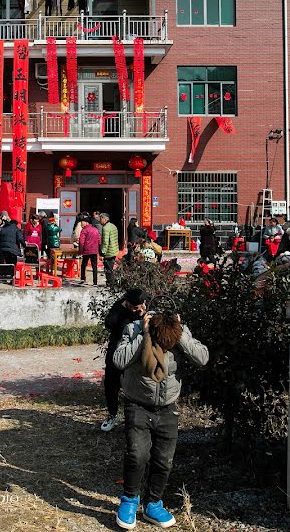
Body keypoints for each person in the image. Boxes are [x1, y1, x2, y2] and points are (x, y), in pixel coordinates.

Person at [113, 308, 209, 529]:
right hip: (138, 404)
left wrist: (181, 335)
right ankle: (129, 500)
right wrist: (143, 335)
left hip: (167, 407)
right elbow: (119, 360)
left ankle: (153, 503)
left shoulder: (178, 332)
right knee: (137, 455)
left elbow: (202, 358)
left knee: (163, 460)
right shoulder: (133, 329)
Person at [100, 289, 147, 432]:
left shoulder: (145, 308)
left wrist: (143, 314)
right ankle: (112, 414)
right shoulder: (120, 306)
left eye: (137, 307)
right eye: (132, 307)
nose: (134, 310)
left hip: (136, 352)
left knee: (137, 384)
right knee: (111, 384)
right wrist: (125, 309)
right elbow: (109, 323)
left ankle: (137, 418)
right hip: (117, 350)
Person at [99, 213, 120, 286]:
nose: (100, 220)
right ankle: (112, 283)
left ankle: (111, 284)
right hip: (114, 250)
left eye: (101, 218)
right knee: (110, 268)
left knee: (108, 269)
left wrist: (102, 253)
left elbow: (105, 242)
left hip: (109, 252)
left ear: (105, 219)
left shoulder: (106, 228)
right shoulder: (113, 226)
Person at [78, 219, 101, 285]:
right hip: (94, 251)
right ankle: (95, 282)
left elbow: (81, 242)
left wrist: (80, 252)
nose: (81, 224)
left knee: (83, 265)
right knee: (94, 266)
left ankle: (82, 279)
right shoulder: (96, 230)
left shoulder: (84, 230)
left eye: (82, 222)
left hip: (86, 251)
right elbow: (99, 240)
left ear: (86, 222)